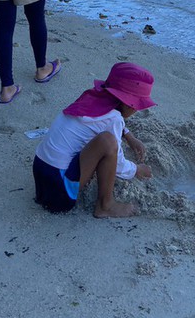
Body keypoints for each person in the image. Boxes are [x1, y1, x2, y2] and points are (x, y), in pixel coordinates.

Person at [33, 62, 155, 218]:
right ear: (130, 104)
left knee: (99, 139)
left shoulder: (91, 96)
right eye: (137, 105)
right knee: (108, 142)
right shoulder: (115, 119)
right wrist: (137, 169)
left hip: (41, 175)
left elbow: (100, 121)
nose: (136, 110)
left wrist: (129, 136)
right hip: (60, 195)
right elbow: (118, 164)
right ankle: (105, 205)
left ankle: (100, 201)